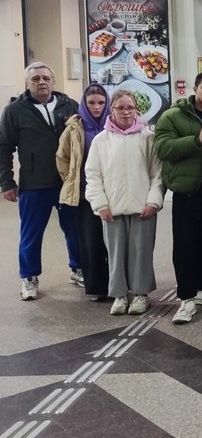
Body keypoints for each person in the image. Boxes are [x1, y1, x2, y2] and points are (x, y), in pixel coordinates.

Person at [154, 72, 202, 324]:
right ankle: (186, 298)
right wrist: (196, 140)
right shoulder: (173, 116)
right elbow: (163, 148)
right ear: (195, 88)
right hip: (187, 191)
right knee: (185, 246)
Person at [0, 63, 81, 301]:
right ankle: (29, 277)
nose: (41, 82)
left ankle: (78, 268)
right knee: (31, 234)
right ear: (27, 84)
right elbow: (4, 147)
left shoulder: (69, 105)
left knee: (75, 230)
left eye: (46, 78)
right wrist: (7, 182)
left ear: (53, 81)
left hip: (67, 182)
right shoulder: (14, 111)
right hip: (34, 184)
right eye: (35, 79)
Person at [84, 90, 164, 316]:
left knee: (141, 252)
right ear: (112, 110)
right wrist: (100, 205)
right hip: (112, 208)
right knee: (115, 253)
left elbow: (158, 173)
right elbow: (93, 175)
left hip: (143, 207)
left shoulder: (148, 138)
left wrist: (153, 201)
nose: (126, 112)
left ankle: (140, 294)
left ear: (136, 110)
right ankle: (119, 295)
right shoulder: (101, 141)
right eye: (121, 108)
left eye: (130, 107)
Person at [56, 83, 110, 300]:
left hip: (112, 192)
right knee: (91, 241)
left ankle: (117, 284)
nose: (96, 107)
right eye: (91, 103)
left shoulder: (113, 124)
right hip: (85, 194)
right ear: (84, 104)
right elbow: (62, 158)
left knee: (113, 242)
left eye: (101, 102)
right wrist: (72, 179)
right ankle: (96, 287)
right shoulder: (73, 129)